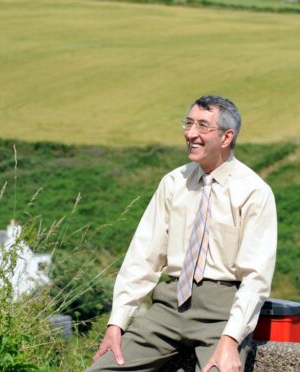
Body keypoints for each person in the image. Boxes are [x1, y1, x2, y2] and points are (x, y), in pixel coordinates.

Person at [87, 95, 277, 372]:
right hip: (167, 309)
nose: (190, 134)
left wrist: (231, 338)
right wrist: (117, 323)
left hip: (221, 315)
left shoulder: (254, 192)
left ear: (226, 137)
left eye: (202, 126)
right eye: (188, 123)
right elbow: (143, 257)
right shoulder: (174, 182)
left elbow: (256, 277)